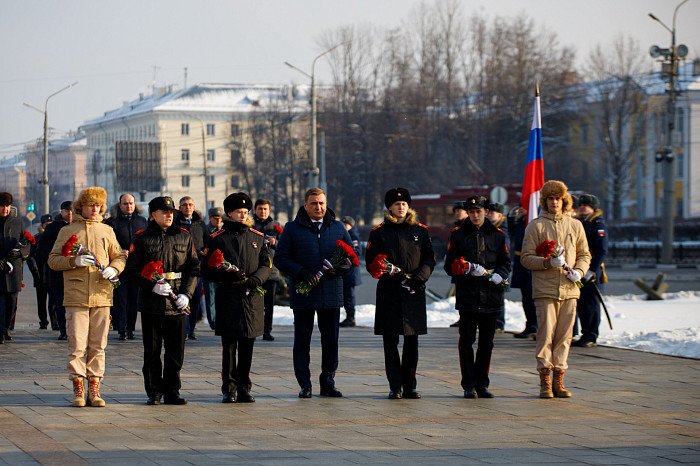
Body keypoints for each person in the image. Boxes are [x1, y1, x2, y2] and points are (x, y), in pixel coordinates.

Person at [48, 187, 126, 407]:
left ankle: (95, 386)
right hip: (76, 295)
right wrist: (74, 262)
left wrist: (115, 268)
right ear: (81, 206)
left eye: (99, 205)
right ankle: (78, 387)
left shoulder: (106, 230)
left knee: (98, 344)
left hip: (102, 294)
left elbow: (119, 255)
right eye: (91, 205)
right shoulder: (68, 230)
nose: (95, 209)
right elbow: (53, 260)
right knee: (77, 344)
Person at [274, 188, 352, 398]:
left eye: (321, 203)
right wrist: (302, 272)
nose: (318, 207)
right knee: (302, 341)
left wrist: (339, 268)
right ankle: (304, 384)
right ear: (305, 205)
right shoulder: (292, 228)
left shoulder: (337, 227)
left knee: (331, 341)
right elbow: (280, 258)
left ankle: (328, 382)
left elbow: (353, 255)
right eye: (314, 203)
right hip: (304, 293)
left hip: (331, 294)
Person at [127, 196, 199, 405]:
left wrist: (187, 294)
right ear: (153, 215)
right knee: (152, 351)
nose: (169, 215)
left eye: (171, 212)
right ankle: (154, 391)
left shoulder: (184, 236)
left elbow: (193, 268)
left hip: (177, 302)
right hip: (152, 303)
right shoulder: (141, 238)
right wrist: (151, 286)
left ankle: (172, 390)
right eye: (163, 212)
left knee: (176, 350)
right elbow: (132, 270)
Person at [521, 180, 590, 399]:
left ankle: (559, 377)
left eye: (558, 199)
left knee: (565, 336)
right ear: (544, 201)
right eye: (550, 199)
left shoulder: (575, 225)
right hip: (545, 289)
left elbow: (584, 254)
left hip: (569, 288)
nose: (554, 203)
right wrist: (546, 263)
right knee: (545, 335)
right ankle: (545, 379)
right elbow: (526, 258)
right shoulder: (536, 225)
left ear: (564, 201)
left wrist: (579, 271)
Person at [365, 188, 435, 399]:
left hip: (413, 291)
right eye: (397, 204)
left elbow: (429, 258)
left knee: (412, 340)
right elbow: (372, 263)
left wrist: (419, 276)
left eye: (404, 203)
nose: (401, 206)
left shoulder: (420, 231)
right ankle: (395, 386)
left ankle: (410, 385)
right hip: (390, 293)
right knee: (390, 341)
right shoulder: (379, 232)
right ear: (389, 208)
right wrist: (395, 275)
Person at [203, 193, 271, 403]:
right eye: (239, 212)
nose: (243, 215)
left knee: (248, 343)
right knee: (230, 346)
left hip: (251, 296)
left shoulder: (257, 237)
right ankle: (229, 388)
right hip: (229, 295)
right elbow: (207, 269)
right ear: (229, 213)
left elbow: (266, 264)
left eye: (245, 212)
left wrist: (257, 279)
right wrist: (226, 273)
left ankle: (244, 387)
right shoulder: (217, 238)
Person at [445, 195, 510, 399]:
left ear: (486, 212)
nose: (475, 215)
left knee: (486, 343)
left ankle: (482, 383)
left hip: (490, 295)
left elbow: (506, 262)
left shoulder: (498, 235)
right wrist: (465, 271)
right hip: (468, 295)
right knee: (466, 342)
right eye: (471, 212)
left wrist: (501, 274)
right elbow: (449, 266)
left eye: (479, 212)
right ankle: (469, 384)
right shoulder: (457, 235)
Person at [104, 193, 148, 340]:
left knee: (134, 300)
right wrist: (119, 251)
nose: (129, 206)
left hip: (136, 266)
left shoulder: (142, 221)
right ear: (120, 205)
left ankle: (131, 329)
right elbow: (108, 243)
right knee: (121, 299)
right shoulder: (112, 222)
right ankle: (121, 329)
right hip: (119, 266)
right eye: (125, 203)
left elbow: (146, 242)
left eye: (131, 203)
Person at [572, 194, 608, 348]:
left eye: (586, 205)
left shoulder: (598, 224)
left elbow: (601, 251)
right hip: (579, 268)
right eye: (581, 205)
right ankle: (584, 333)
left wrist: (592, 270)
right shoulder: (580, 222)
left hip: (591, 270)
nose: (582, 207)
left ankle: (591, 335)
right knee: (581, 304)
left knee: (591, 305)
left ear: (593, 207)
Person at [37, 201, 73, 339]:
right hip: (57, 272)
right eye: (66, 210)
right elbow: (42, 248)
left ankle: (74, 331)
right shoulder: (53, 228)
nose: (69, 213)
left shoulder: (79, 226)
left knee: (75, 304)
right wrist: (53, 257)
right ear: (61, 212)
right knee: (60, 303)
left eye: (72, 210)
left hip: (76, 271)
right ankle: (63, 330)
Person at [175, 196, 208, 341]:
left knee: (194, 300)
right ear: (180, 208)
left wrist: (203, 254)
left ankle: (192, 329)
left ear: (194, 207)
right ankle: (184, 328)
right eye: (184, 205)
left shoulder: (200, 224)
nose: (188, 207)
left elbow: (208, 243)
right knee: (183, 298)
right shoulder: (176, 224)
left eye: (190, 205)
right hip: (181, 268)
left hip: (197, 268)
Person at [0, 192, 30, 344]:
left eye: (7, 206)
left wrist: (20, 253)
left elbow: (26, 243)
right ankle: (0, 330)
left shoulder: (17, 223)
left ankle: (6, 328)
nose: (4, 209)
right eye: (2, 206)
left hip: (13, 270)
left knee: (12, 302)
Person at [251, 198, 283, 341]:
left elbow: (285, 246)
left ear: (269, 210)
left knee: (269, 304)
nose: (262, 211)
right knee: (253, 302)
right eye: (260, 209)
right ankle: (253, 328)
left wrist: (275, 242)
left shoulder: (276, 225)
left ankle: (267, 330)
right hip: (254, 270)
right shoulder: (250, 225)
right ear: (255, 210)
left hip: (271, 271)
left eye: (265, 209)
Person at [508, 206, 537, 339]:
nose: (521, 209)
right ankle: (530, 325)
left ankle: (536, 326)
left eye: (525, 205)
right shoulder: (520, 222)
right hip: (520, 261)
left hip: (532, 260)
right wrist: (511, 216)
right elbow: (511, 231)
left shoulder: (534, 221)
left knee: (532, 297)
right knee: (525, 296)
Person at [27, 214, 54, 330]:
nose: (47, 226)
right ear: (42, 225)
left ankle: (55, 322)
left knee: (53, 301)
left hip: (52, 273)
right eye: (45, 224)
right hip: (39, 274)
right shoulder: (37, 238)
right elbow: (30, 256)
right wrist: (34, 270)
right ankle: (43, 321)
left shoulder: (55, 237)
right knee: (41, 300)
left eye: (49, 224)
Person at [487, 202, 508, 333]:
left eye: (492, 213)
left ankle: (499, 323)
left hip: (499, 268)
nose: (489, 215)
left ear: (500, 215)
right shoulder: (489, 228)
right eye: (488, 213)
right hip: (490, 268)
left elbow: (506, 251)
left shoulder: (502, 230)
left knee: (498, 296)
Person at [203, 207, 224, 330]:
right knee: (210, 297)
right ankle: (213, 321)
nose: (218, 221)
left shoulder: (224, 231)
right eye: (216, 219)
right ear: (210, 218)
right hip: (210, 268)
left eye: (220, 219)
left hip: (221, 269)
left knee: (220, 297)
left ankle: (220, 319)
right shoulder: (206, 231)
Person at [339, 216, 362, 328]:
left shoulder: (353, 236)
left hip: (350, 272)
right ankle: (349, 316)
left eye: (345, 225)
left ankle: (350, 317)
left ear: (351, 226)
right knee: (345, 295)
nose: (344, 227)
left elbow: (356, 251)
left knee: (349, 295)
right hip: (345, 271)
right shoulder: (345, 234)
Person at [449, 201, 468, 328]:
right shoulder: (457, 228)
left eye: (459, 211)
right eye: (455, 211)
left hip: (467, 266)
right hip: (457, 266)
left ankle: (467, 319)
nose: (457, 213)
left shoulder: (468, 227)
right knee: (460, 294)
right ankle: (462, 318)